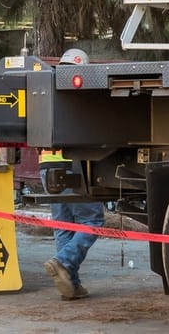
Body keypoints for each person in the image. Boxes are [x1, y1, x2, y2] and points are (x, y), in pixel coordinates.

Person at [41, 48, 105, 301]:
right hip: (73, 165)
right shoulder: (80, 94)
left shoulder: (47, 92)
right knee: (93, 222)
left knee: (63, 227)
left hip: (47, 166)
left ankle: (71, 284)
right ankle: (64, 261)